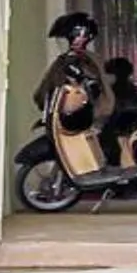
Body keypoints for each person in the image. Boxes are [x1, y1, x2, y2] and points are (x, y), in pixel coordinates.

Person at [33, 15, 110, 173]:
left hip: (83, 115)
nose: (60, 44)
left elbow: (93, 87)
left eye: (63, 39)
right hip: (67, 113)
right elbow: (47, 87)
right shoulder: (68, 61)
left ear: (79, 38)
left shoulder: (82, 63)